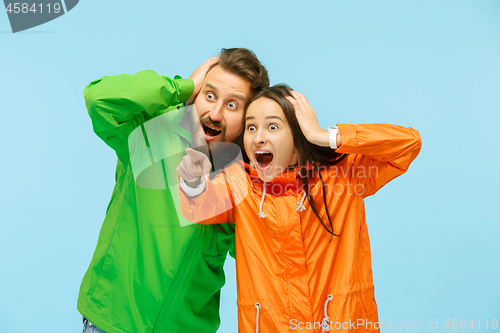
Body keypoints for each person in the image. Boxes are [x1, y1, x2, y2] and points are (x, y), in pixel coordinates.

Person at [177, 85, 422, 332]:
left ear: (298, 135)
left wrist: (325, 136)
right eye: (251, 127)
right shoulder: (240, 184)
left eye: (272, 127)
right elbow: (199, 206)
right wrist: (192, 180)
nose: (259, 137)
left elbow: (408, 144)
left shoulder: (344, 176)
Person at [78, 48, 269, 333]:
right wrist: (182, 87)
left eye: (232, 105)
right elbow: (98, 99)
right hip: (111, 323)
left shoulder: (243, 180)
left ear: (247, 118)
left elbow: (262, 260)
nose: (214, 113)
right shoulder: (150, 133)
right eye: (210, 95)